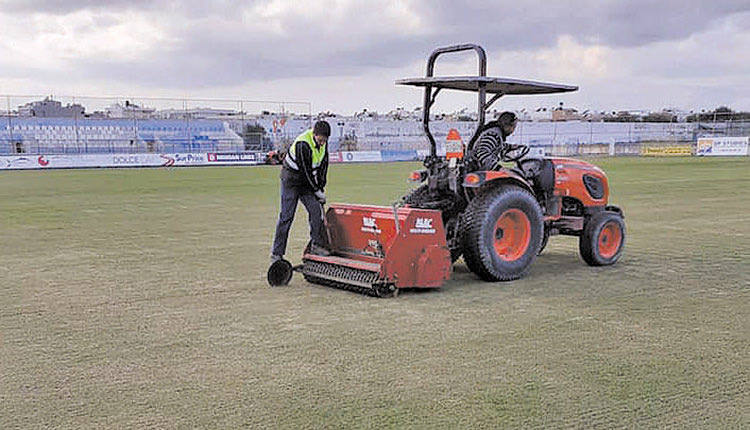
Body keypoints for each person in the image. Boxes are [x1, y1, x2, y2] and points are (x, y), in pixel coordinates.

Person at [271, 120, 331, 262]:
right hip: (291, 180)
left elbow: (323, 167)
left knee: (316, 211)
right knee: (287, 216)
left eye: (325, 140)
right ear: (315, 134)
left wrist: (321, 186)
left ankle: (317, 245)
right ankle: (277, 254)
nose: (322, 143)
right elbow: (306, 172)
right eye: (321, 140)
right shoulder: (303, 144)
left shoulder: (323, 144)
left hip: (306, 184)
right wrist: (316, 191)